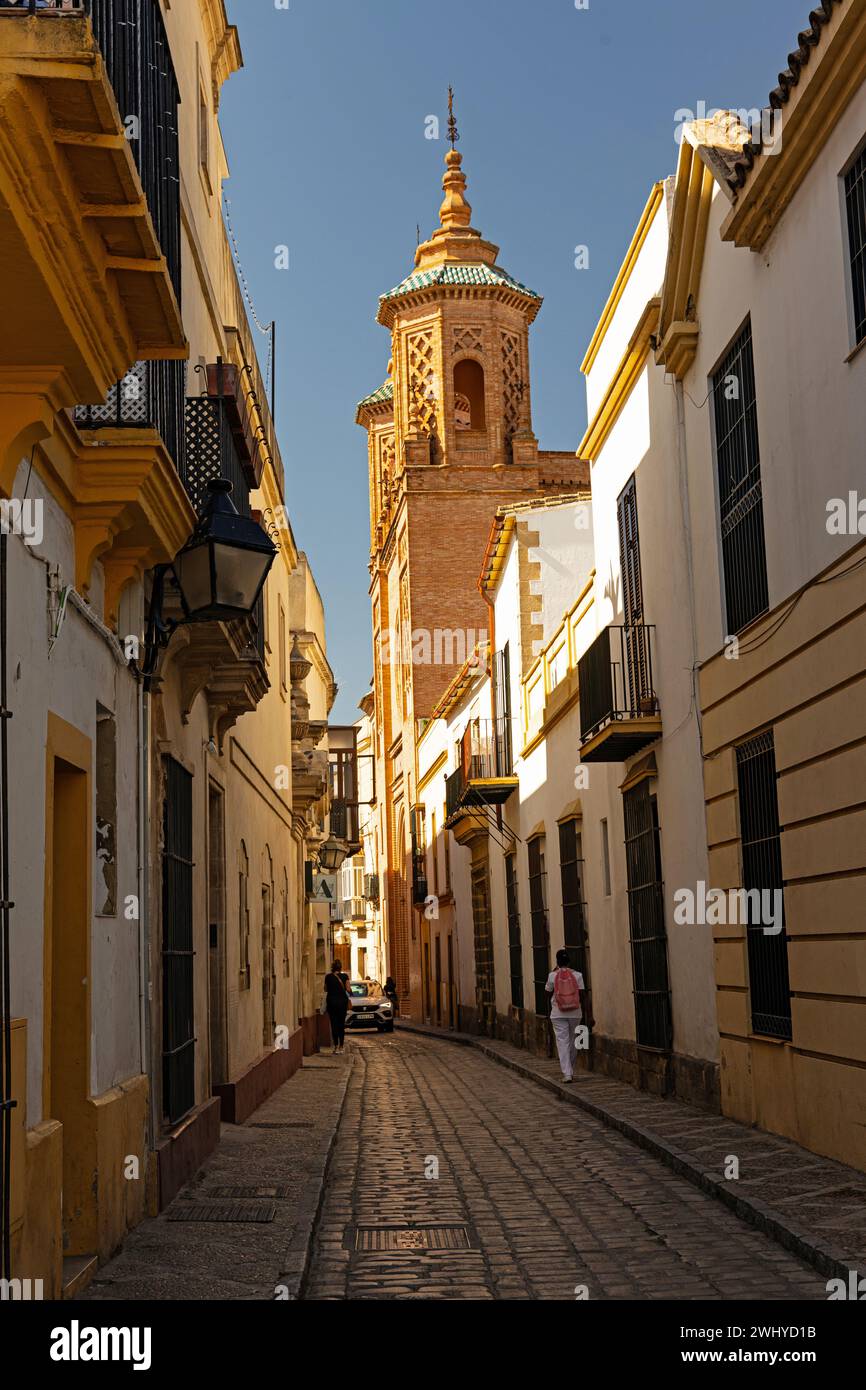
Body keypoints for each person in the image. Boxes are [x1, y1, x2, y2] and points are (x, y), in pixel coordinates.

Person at [545, 948, 585, 1084]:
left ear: (557, 961)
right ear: (569, 961)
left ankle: (567, 1073)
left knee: (562, 1042)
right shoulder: (578, 975)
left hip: (558, 1013)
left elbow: (547, 993)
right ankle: (570, 1069)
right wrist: (588, 1014)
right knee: (574, 1041)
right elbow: (584, 996)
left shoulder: (552, 976)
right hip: (575, 1012)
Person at [323, 958, 351, 1054]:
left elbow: (325, 989)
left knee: (333, 1024)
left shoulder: (328, 977)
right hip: (342, 1003)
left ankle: (335, 1046)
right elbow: (348, 989)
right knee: (341, 1024)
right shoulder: (345, 976)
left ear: (332, 967)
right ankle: (341, 1046)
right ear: (340, 967)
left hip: (331, 1003)